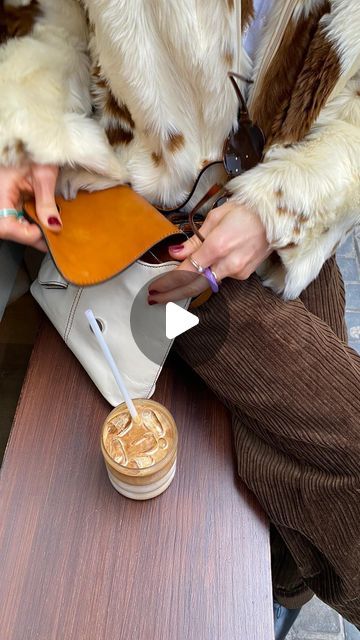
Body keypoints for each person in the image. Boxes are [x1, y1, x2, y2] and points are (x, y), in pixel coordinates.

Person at [1, 1, 360, 638]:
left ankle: (279, 593)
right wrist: (32, 133)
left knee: (295, 465)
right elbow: (43, 18)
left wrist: (279, 209)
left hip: (298, 230)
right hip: (150, 230)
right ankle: (277, 598)